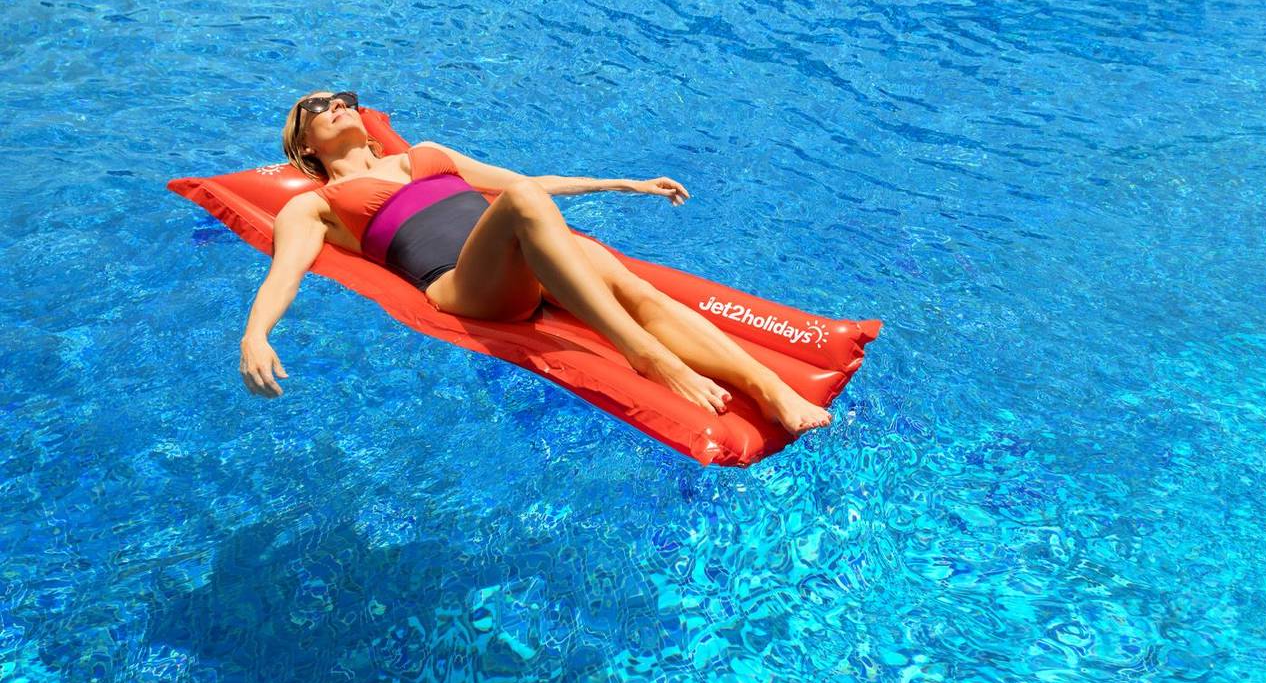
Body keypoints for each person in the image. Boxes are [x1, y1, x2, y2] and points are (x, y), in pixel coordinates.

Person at [237, 90, 833, 436]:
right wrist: (255, 337)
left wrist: (621, 183)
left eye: (345, 99)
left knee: (634, 287)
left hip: (523, 252)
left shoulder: (427, 154)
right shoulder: (315, 205)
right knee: (525, 204)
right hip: (464, 286)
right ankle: (645, 355)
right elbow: (284, 273)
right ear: (304, 143)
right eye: (319, 105)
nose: (337, 104)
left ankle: (770, 387)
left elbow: (528, 181)